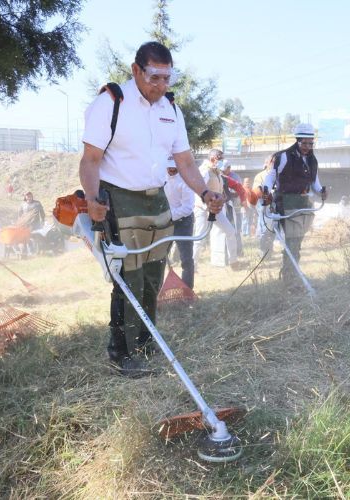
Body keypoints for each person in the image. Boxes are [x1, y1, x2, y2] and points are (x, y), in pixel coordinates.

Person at [78, 41, 223, 378]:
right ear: (136, 70)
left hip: (157, 199)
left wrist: (204, 192)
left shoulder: (170, 109)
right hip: (119, 197)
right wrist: (92, 198)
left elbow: (185, 161)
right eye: (154, 78)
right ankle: (121, 351)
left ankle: (145, 341)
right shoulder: (111, 102)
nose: (160, 86)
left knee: (153, 276)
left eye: (166, 79)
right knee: (128, 277)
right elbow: (90, 159)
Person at [261, 123, 327, 285]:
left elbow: (315, 182)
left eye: (310, 143)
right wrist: (266, 190)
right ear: (297, 141)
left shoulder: (312, 160)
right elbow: (271, 176)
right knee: (292, 242)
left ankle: (291, 274)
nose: (307, 147)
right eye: (304, 143)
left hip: (304, 203)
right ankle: (290, 278)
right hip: (286, 202)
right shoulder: (283, 156)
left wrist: (321, 191)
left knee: (297, 241)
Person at [193, 149, 241, 268]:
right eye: (221, 159)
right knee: (199, 237)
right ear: (213, 158)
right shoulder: (204, 171)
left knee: (230, 231)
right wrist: (206, 206)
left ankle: (233, 262)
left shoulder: (217, 171)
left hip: (216, 208)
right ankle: (192, 265)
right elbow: (197, 190)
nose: (222, 161)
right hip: (202, 209)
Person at [164, 159, 195, 289]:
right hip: (165, 221)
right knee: (159, 257)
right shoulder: (161, 178)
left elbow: (187, 208)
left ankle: (187, 288)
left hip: (184, 222)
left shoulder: (185, 181)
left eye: (174, 168)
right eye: (169, 168)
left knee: (186, 258)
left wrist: (169, 215)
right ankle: (158, 288)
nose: (171, 171)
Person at [253, 155, 276, 257]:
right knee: (265, 229)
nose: (273, 163)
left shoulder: (277, 174)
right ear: (266, 163)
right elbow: (257, 190)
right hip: (264, 205)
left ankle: (269, 251)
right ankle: (263, 252)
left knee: (272, 230)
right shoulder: (260, 176)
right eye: (271, 162)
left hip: (275, 205)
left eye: (275, 162)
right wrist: (266, 196)